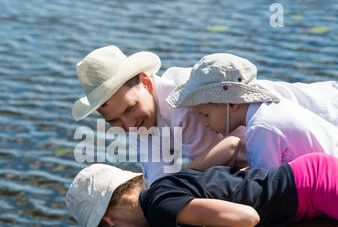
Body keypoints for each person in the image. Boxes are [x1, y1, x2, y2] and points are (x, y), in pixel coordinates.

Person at [65, 151, 338, 227]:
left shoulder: (160, 207)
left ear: (109, 220)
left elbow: (247, 217)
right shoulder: (162, 188)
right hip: (310, 178)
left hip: (314, 187)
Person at [73, 46, 249, 187]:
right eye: (113, 121)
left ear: (147, 83)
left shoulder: (182, 103)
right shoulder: (138, 121)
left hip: (263, 158)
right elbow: (158, 171)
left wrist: (163, 193)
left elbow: (217, 168)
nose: (129, 125)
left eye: (130, 108)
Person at [166, 53, 338, 170]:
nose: (205, 124)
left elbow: (265, 185)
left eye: (205, 115)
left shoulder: (261, 129)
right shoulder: (270, 109)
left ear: (231, 103)